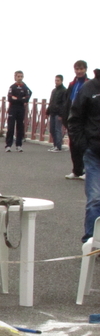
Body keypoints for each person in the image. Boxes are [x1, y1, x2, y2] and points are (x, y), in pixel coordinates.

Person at [67, 67, 100, 244]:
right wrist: (83, 145)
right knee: (95, 199)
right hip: (94, 151)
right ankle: (91, 241)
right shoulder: (89, 88)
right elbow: (75, 119)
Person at [64, 60, 90, 179]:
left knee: (84, 146)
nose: (79, 71)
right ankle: (76, 170)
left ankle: (86, 171)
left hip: (84, 118)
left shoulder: (89, 83)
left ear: (85, 69)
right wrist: (64, 117)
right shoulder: (72, 84)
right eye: (77, 69)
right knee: (73, 145)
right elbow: (67, 101)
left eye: (81, 69)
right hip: (72, 117)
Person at [5, 71, 32, 152]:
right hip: (13, 108)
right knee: (10, 127)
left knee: (20, 127)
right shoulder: (12, 87)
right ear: (15, 77)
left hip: (21, 109)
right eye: (18, 76)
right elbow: (10, 98)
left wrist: (18, 99)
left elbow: (27, 97)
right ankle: (8, 145)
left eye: (21, 76)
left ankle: (19, 145)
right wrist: (21, 99)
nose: (20, 78)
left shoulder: (25, 87)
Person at [46, 74, 68, 152]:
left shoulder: (64, 90)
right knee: (52, 129)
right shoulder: (54, 91)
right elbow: (51, 102)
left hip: (59, 113)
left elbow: (64, 104)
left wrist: (62, 114)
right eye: (55, 80)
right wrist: (47, 111)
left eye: (58, 80)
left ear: (61, 81)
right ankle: (55, 144)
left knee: (57, 129)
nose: (56, 82)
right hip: (52, 112)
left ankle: (58, 146)